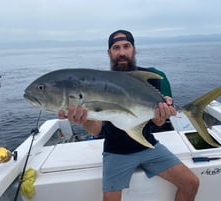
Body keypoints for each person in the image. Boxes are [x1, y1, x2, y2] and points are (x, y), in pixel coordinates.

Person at [58, 30, 199, 201]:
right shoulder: (98, 84)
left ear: (134, 49)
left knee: (191, 183)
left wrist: (163, 114)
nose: (122, 52)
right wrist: (84, 118)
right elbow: (95, 131)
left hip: (148, 146)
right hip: (116, 152)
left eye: (126, 46)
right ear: (109, 53)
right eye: (116, 48)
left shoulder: (149, 79)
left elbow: (158, 122)